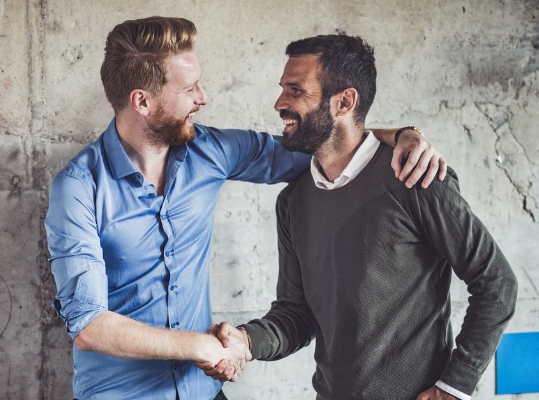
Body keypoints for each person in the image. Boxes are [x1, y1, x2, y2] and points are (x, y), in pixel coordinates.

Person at [45, 17, 447, 400]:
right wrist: (203, 346)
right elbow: (89, 326)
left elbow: (323, 145)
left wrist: (403, 134)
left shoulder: (210, 150)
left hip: (204, 390)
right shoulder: (77, 189)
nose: (203, 97)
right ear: (142, 101)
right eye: (190, 89)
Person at [199, 35, 518, 400]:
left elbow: (497, 283)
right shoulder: (293, 200)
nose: (279, 104)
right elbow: (296, 314)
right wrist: (245, 341)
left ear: (344, 102)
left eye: (295, 91)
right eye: (282, 90)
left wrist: (455, 386)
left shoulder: (415, 178)